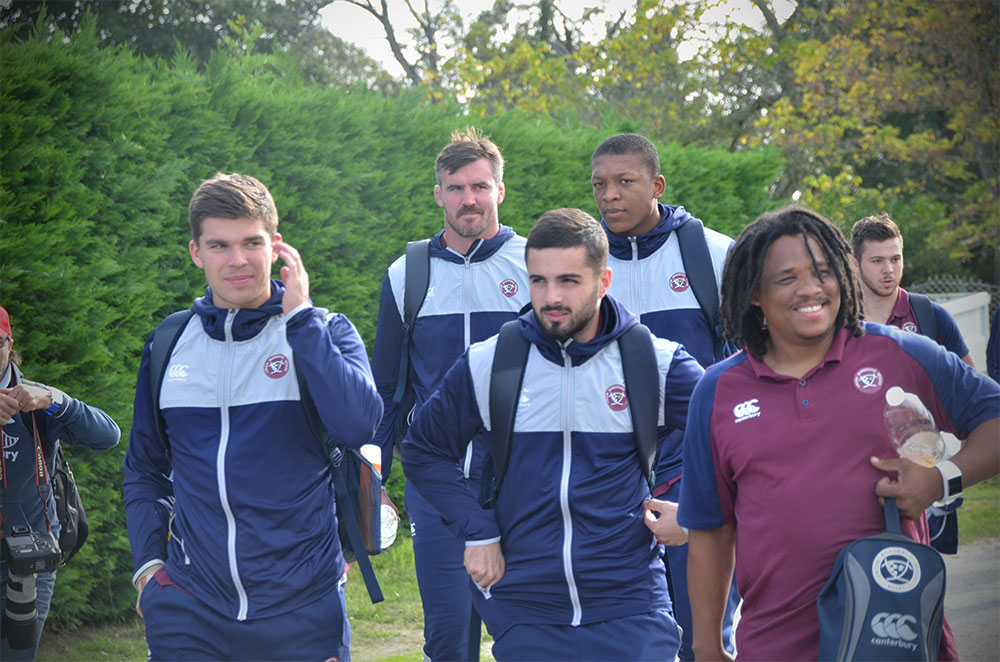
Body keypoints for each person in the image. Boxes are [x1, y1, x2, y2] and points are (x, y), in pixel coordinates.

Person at [679, 206, 999, 660]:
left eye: (824, 272)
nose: (811, 289)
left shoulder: (899, 354)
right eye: (787, 278)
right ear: (754, 294)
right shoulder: (717, 391)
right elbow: (712, 531)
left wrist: (941, 479)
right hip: (776, 647)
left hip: (895, 643)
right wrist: (707, 647)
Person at [401, 208, 704, 661]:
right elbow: (423, 451)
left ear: (604, 280)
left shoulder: (654, 361)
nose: (550, 297)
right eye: (538, 281)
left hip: (631, 609)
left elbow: (740, 440)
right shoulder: (490, 362)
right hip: (527, 613)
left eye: (568, 281)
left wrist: (699, 515)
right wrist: (477, 530)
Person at [123, 173, 382, 661]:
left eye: (251, 243)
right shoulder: (169, 343)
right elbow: (144, 467)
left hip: (302, 609)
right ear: (197, 252)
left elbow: (359, 427)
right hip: (190, 608)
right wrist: (149, 569)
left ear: (276, 246)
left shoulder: (325, 330)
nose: (237, 260)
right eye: (219, 245)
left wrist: (301, 320)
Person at [370, 127, 529, 661]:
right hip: (436, 485)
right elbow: (387, 387)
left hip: (522, 479)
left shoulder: (536, 267)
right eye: (456, 188)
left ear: (500, 191)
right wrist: (373, 479)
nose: (469, 199)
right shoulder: (405, 274)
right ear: (438, 194)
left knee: (531, 635)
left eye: (480, 187)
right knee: (447, 639)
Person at [589, 132, 738, 658]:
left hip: (697, 471)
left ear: (656, 185)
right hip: (609, 479)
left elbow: (753, 364)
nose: (609, 195)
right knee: (629, 639)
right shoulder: (581, 267)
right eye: (600, 184)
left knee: (706, 636)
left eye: (624, 182)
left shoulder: (713, 254)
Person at [0, 305, 120, 661]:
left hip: (28, 562)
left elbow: (108, 436)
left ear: (10, 343)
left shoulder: (34, 401)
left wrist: (57, 399)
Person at [850, 212, 974, 367]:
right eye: (877, 261)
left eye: (895, 259)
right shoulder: (838, 321)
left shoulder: (931, 316)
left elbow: (972, 387)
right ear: (855, 263)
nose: (888, 269)